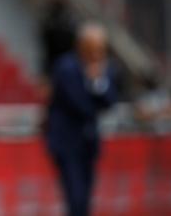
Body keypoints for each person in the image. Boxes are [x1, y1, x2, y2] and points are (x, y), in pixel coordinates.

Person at [45, 22, 117, 216]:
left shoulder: (103, 70)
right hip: (66, 143)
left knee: (85, 197)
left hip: (89, 143)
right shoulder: (65, 67)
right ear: (82, 46)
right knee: (75, 197)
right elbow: (79, 104)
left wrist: (96, 82)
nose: (98, 55)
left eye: (101, 50)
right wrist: (93, 85)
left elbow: (110, 101)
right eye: (94, 49)